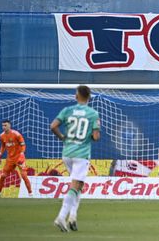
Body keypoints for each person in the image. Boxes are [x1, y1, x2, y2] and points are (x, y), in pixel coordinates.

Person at [50, 84, 101, 232]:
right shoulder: (93, 113)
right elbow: (96, 137)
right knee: (75, 186)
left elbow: (53, 126)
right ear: (89, 97)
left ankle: (73, 217)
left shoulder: (67, 110)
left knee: (78, 186)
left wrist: (62, 137)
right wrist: (91, 134)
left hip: (67, 153)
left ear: (76, 96)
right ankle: (62, 216)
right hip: (81, 154)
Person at [0, 119, 33, 195]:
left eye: (5, 125)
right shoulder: (1, 136)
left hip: (19, 158)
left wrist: (22, 154)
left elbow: (23, 145)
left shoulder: (16, 134)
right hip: (10, 159)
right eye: (3, 125)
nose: (4, 127)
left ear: (9, 125)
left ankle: (30, 193)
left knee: (24, 175)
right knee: (3, 176)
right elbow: (3, 146)